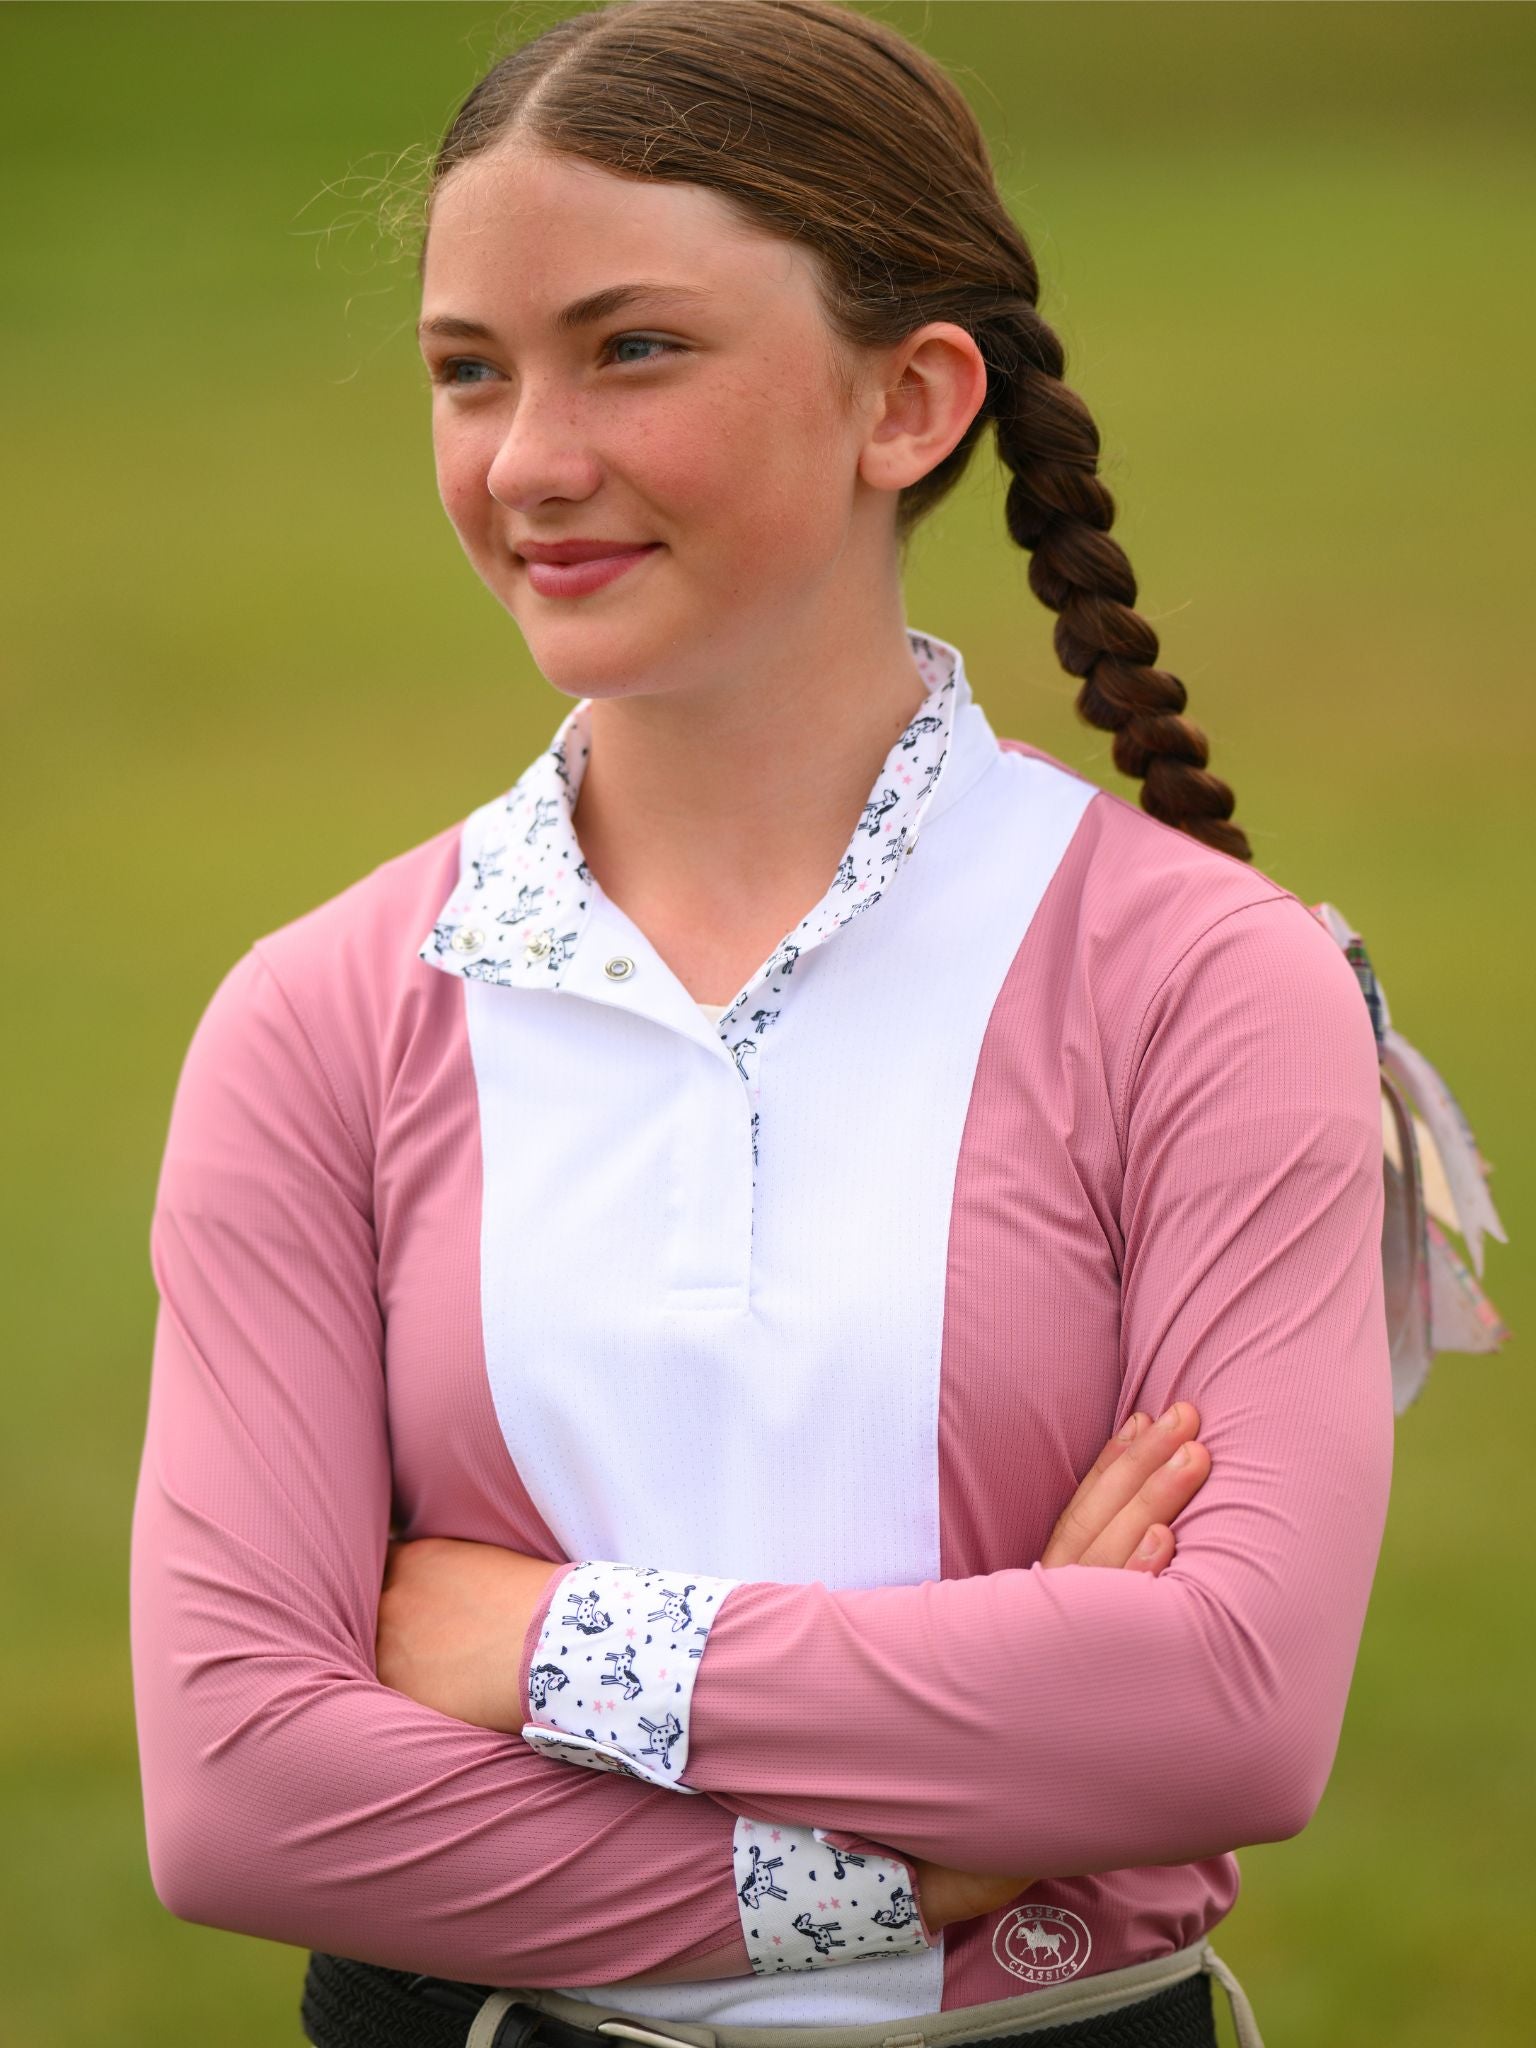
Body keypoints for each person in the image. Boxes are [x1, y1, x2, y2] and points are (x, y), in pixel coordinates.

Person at [128, 5, 1395, 2046]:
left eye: (635, 348)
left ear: (909, 400)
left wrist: (547, 1643)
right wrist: (914, 1868)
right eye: (470, 369)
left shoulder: (1205, 979)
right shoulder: (323, 1017)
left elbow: (1224, 1715)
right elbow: (246, 1797)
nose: (529, 461)